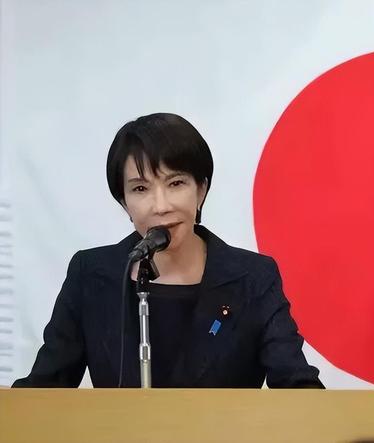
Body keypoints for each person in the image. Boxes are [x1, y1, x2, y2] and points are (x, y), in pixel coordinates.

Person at [12, 113, 323, 388]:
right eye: (140, 188)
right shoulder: (91, 274)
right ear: (124, 203)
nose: (161, 206)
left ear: (201, 190)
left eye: (175, 183)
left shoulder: (253, 277)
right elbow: (44, 389)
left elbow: (298, 387)